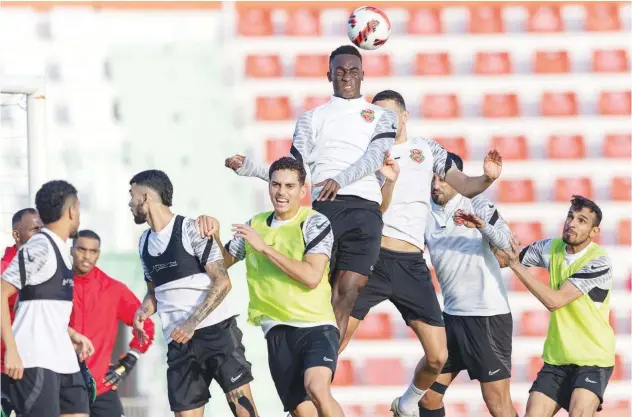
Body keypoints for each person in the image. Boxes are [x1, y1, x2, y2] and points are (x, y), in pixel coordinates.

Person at [334, 91, 503, 417]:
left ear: (405, 115)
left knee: (438, 356)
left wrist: (487, 178)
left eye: (390, 115)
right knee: (335, 342)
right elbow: (375, 209)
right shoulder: (367, 157)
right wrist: (387, 183)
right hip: (374, 257)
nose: (384, 122)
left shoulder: (426, 149)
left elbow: (464, 187)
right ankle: (301, 401)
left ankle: (407, 403)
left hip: (411, 263)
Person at [225, 44, 399, 340]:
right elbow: (294, 170)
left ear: (363, 75)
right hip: (326, 209)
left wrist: (340, 179)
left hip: (365, 211)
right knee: (319, 292)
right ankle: (309, 362)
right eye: (340, 71)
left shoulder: (381, 116)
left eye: (353, 71)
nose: (346, 77)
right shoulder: (311, 118)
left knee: (347, 293)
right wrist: (252, 168)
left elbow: (374, 157)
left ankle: (323, 370)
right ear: (329, 74)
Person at [216, 157, 344, 416]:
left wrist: (264, 248)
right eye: (276, 185)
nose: (281, 192)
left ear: (302, 190)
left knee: (317, 389)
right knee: (302, 410)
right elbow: (221, 264)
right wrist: (213, 232)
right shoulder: (255, 225)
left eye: (289, 186)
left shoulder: (314, 222)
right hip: (276, 331)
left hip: (315, 326)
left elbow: (311, 276)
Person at [128, 169, 258, 417]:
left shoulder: (191, 229)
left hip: (217, 333)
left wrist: (192, 323)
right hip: (178, 343)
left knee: (244, 410)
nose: (129, 203)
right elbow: (154, 293)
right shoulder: (143, 241)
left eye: (131, 196)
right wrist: (142, 312)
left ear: (145, 197)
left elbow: (223, 281)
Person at [415, 153, 517, 417]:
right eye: (433, 179)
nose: (436, 185)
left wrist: (483, 228)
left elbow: (509, 246)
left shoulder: (478, 204)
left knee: (497, 404)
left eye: (443, 179)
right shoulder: (423, 210)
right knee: (426, 397)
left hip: (486, 316)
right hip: (452, 317)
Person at [502, 195, 614, 417]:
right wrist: (483, 228)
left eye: (582, 220)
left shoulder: (599, 261)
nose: (572, 223)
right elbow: (504, 258)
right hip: (557, 360)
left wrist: (516, 266)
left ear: (594, 232)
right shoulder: (551, 248)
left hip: (593, 359)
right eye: (570, 216)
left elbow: (555, 301)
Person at [1, 180, 94, 417]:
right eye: (79, 209)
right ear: (72, 210)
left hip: (64, 361)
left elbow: (45, 308)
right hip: (35, 361)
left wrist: (71, 336)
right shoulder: (39, 247)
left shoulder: (62, 249)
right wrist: (11, 349)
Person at [70, 229, 156, 417]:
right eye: (81, 249)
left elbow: (146, 326)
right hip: (64, 387)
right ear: (72, 250)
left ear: (99, 254)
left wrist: (129, 362)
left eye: (93, 251)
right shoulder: (58, 285)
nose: (86, 256)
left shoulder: (113, 289)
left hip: (102, 388)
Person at [1, 208, 42, 416]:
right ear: (17, 235)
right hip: (8, 371)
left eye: (43, 229)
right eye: (35, 229)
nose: (41, 235)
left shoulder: (43, 267)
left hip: (38, 367)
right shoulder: (5, 270)